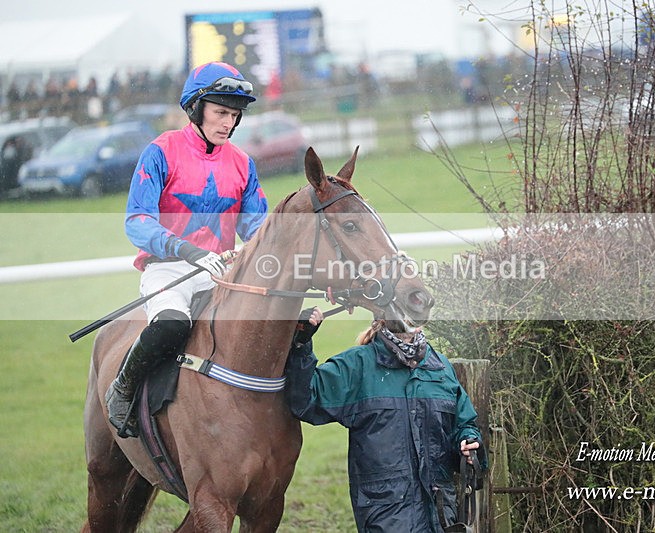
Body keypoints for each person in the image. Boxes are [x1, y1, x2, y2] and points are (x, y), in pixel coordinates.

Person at [106, 61, 268, 438]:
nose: (228, 122)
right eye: (220, 112)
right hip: (169, 269)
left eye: (234, 115)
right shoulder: (161, 151)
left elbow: (256, 227)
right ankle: (124, 388)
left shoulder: (243, 163)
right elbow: (137, 221)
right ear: (196, 109)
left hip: (220, 273)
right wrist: (187, 250)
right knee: (171, 325)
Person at [285, 308, 488, 532]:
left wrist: (469, 445)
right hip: (386, 516)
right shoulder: (358, 366)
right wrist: (301, 344)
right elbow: (305, 401)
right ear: (382, 316)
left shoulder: (440, 369)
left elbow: (464, 424)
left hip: (440, 515)